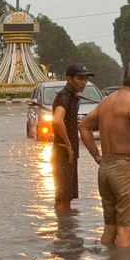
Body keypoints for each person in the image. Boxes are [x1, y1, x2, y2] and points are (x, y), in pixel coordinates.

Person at [79, 60, 130, 247]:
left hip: (105, 168)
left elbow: (83, 127)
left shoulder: (107, 101)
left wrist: (97, 156)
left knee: (110, 228)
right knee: (126, 231)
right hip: (127, 169)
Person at [50, 64, 94, 212]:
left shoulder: (73, 96)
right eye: (80, 78)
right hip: (63, 153)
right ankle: (62, 232)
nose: (83, 83)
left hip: (68, 153)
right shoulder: (65, 96)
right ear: (69, 79)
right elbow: (57, 120)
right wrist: (68, 145)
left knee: (67, 198)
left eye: (85, 79)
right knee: (63, 199)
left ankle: (66, 232)